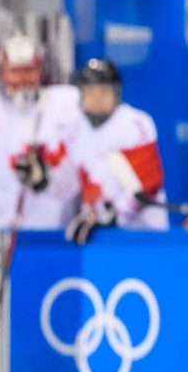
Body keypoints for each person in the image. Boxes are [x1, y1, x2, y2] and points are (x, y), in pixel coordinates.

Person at [0, 33, 81, 233]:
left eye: (29, 70)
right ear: (1, 73)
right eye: (15, 71)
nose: (23, 79)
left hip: (52, 228)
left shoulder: (66, 103)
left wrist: (49, 176)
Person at [64, 58, 168, 244]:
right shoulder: (73, 129)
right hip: (95, 235)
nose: (97, 100)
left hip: (142, 234)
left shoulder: (135, 124)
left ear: (117, 93)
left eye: (104, 92)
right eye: (90, 92)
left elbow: (148, 185)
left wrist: (114, 213)